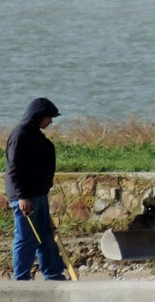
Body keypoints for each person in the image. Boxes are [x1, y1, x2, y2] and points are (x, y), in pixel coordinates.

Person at [4, 97, 68, 281]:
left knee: (46, 236)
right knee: (25, 239)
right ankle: (21, 278)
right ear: (39, 116)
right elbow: (13, 170)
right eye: (48, 117)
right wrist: (22, 197)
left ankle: (53, 274)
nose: (50, 121)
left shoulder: (36, 135)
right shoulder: (20, 136)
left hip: (39, 195)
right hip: (26, 198)